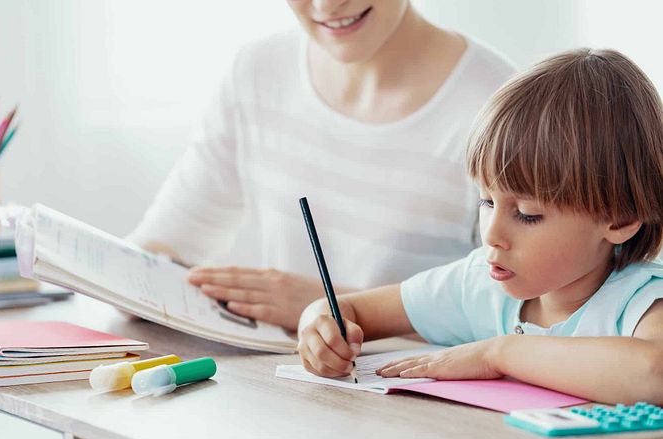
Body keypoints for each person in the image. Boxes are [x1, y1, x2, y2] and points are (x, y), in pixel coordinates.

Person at [296, 48, 663, 404]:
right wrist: (319, 326)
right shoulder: (478, 285)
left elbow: (653, 374)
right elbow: (350, 311)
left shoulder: (642, 303)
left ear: (621, 219)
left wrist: (498, 354)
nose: (491, 235)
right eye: (487, 201)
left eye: (527, 213)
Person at [129, 1, 515, 330]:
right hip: (287, 385)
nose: (326, 6)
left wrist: (332, 306)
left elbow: (519, 316)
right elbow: (164, 242)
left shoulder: (501, 110)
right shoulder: (257, 73)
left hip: (419, 399)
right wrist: (130, 280)